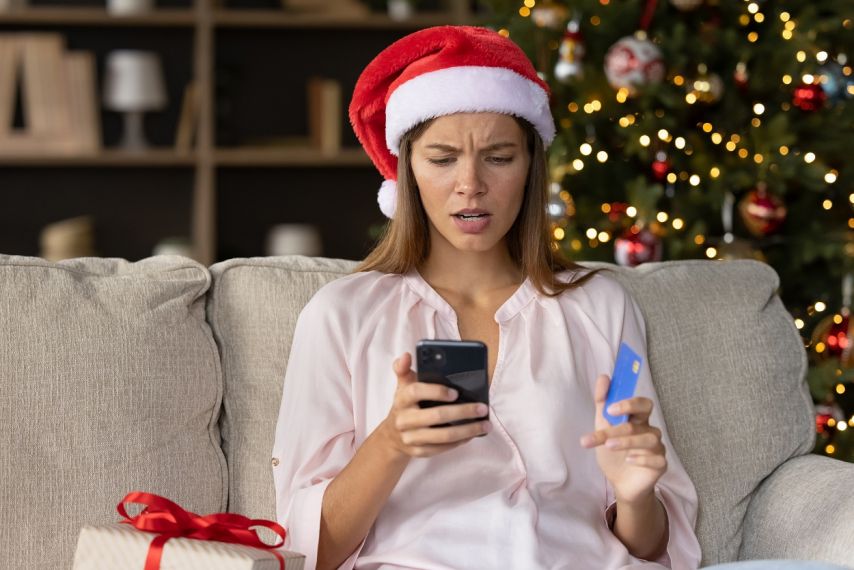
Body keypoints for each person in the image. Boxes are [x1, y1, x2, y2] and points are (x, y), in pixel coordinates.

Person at [271, 25, 847, 570]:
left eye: (499, 157)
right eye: (442, 159)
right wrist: (391, 443)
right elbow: (306, 553)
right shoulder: (343, 314)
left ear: (530, 168)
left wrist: (636, 494)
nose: (470, 183)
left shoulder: (599, 305)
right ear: (407, 173)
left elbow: (649, 547)